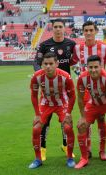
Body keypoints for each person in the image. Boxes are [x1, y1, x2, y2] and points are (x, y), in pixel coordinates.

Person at [33, 18, 76, 161]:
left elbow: (75, 61)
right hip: (47, 89)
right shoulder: (45, 45)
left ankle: (65, 146)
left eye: (60, 26)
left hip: (64, 88)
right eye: (55, 27)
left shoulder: (71, 44)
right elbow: (37, 62)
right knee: (44, 123)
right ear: (52, 29)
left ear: (65, 28)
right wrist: (42, 76)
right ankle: (43, 149)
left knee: (66, 122)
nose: (58, 29)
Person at [72, 21, 106, 160]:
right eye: (86, 30)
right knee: (86, 120)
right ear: (83, 32)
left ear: (96, 31)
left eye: (91, 30)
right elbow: (72, 62)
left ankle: (102, 150)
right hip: (85, 89)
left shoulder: (104, 48)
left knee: (101, 119)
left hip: (101, 90)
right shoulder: (78, 48)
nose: (89, 33)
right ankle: (88, 148)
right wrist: (78, 73)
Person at [74, 55, 106, 169]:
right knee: (81, 126)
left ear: (101, 66)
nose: (93, 70)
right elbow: (80, 98)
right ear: (87, 67)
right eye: (90, 67)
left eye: (96, 67)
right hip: (94, 103)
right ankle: (84, 158)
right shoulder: (82, 78)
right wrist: (82, 117)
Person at [28, 52, 76, 169]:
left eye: (51, 63)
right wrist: (37, 114)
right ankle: (38, 159)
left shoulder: (65, 76)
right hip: (45, 104)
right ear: (42, 64)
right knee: (36, 129)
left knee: (68, 128)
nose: (48, 66)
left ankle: (69, 157)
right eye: (45, 64)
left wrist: (68, 113)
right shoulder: (37, 76)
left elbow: (73, 96)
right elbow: (34, 96)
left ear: (56, 64)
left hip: (62, 104)